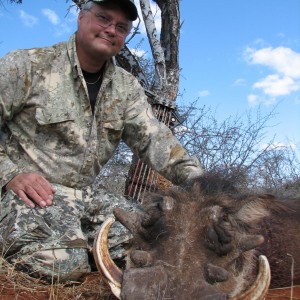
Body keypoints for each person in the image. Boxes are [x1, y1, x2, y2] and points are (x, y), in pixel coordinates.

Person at [0, 0, 203, 282]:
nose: (111, 30)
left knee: (162, 245)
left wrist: (203, 185)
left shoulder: (127, 87)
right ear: (81, 18)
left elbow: (155, 140)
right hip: (26, 194)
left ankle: (81, 245)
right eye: (103, 18)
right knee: (63, 268)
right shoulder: (27, 65)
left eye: (121, 27)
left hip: (86, 197)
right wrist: (11, 174)